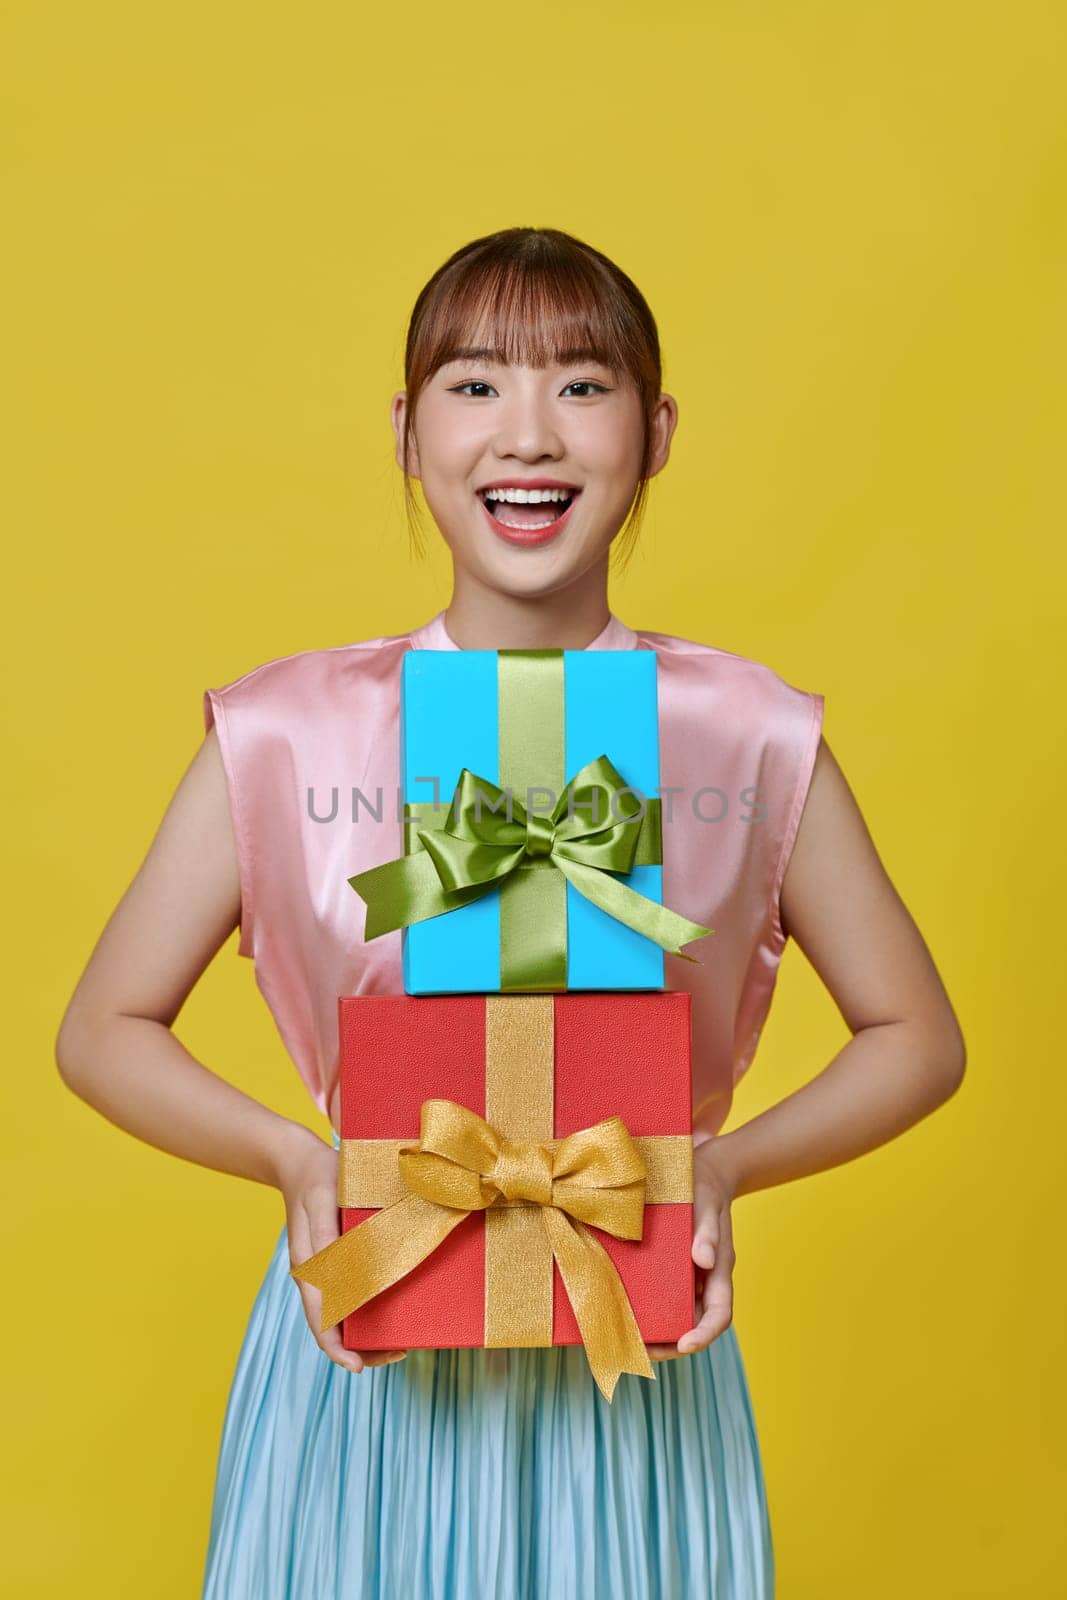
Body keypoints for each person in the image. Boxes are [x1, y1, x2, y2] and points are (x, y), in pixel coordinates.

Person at [55, 226, 967, 1600]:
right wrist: (294, 1163)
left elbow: (918, 1034)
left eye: (582, 386)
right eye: (476, 384)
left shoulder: (745, 732)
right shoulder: (289, 732)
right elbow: (101, 1027)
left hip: (629, 1359)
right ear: (407, 429)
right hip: (369, 1351)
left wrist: (717, 1171)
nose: (526, 435)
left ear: (655, 432)